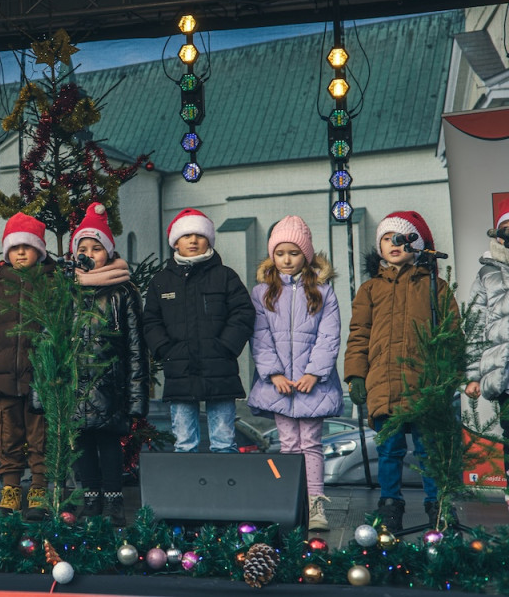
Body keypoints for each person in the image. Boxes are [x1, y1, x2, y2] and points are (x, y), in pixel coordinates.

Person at [345, 211, 453, 531]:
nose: (393, 244)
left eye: (401, 238)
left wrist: (447, 376)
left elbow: (450, 332)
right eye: (386, 238)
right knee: (389, 450)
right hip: (384, 381)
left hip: (424, 381)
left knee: (428, 448)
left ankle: (438, 506)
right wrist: (355, 375)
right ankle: (390, 505)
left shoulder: (435, 286)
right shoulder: (370, 289)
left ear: (416, 245)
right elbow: (359, 334)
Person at [246, 216, 342, 531]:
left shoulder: (324, 293)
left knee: (311, 443)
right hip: (281, 385)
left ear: (307, 255)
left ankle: (315, 507)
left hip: (311, 384)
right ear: (272, 256)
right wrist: (273, 374)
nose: (287, 259)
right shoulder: (261, 293)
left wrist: (314, 373)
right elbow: (259, 337)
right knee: (287, 444)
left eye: (294, 253)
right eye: (280, 253)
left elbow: (329, 336)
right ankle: (290, 501)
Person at [143, 208, 255, 454]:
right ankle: (188, 493)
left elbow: (243, 313)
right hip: (179, 370)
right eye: (186, 235)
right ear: (175, 242)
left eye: (199, 235)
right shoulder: (161, 281)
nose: (193, 241)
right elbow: (151, 320)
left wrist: (225, 347)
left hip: (220, 371)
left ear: (209, 240)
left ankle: (227, 491)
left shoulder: (225, 276)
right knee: (184, 443)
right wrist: (165, 349)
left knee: (224, 442)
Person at [0, 212, 54, 520]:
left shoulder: (52, 288)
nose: (20, 253)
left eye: (27, 247)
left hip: (41, 383)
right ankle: (11, 489)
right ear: (6, 253)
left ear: (39, 251)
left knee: (40, 436)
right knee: (6, 436)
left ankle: (39, 488)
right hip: (4, 381)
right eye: (14, 247)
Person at [69, 202, 149, 526]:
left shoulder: (122, 292)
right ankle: (90, 498)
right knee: (83, 444)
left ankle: (114, 500)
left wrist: (136, 396)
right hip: (76, 384)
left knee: (108, 443)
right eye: (83, 247)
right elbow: (51, 340)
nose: (90, 253)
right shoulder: (69, 291)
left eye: (96, 247)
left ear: (108, 252)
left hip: (109, 384)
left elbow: (134, 346)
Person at [465, 198, 509, 513]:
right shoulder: (486, 273)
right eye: (505, 230)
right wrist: (471, 374)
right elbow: (474, 323)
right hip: (504, 370)